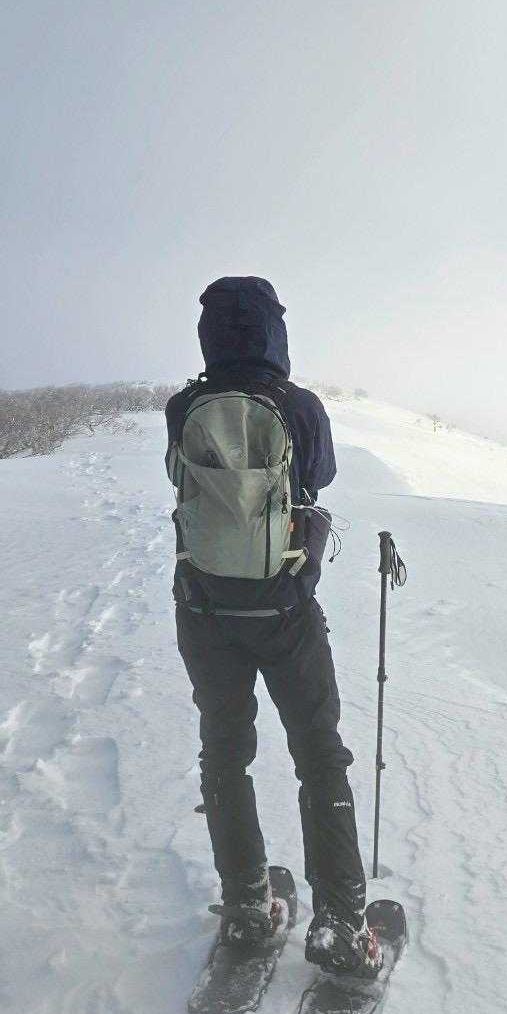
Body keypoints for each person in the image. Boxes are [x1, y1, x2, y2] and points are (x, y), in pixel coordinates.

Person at [165, 276, 380, 978]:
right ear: (273, 332)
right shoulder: (300, 406)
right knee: (319, 754)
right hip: (284, 610)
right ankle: (341, 923)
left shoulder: (184, 407)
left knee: (224, 753)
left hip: (204, 611)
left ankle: (248, 907)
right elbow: (322, 475)